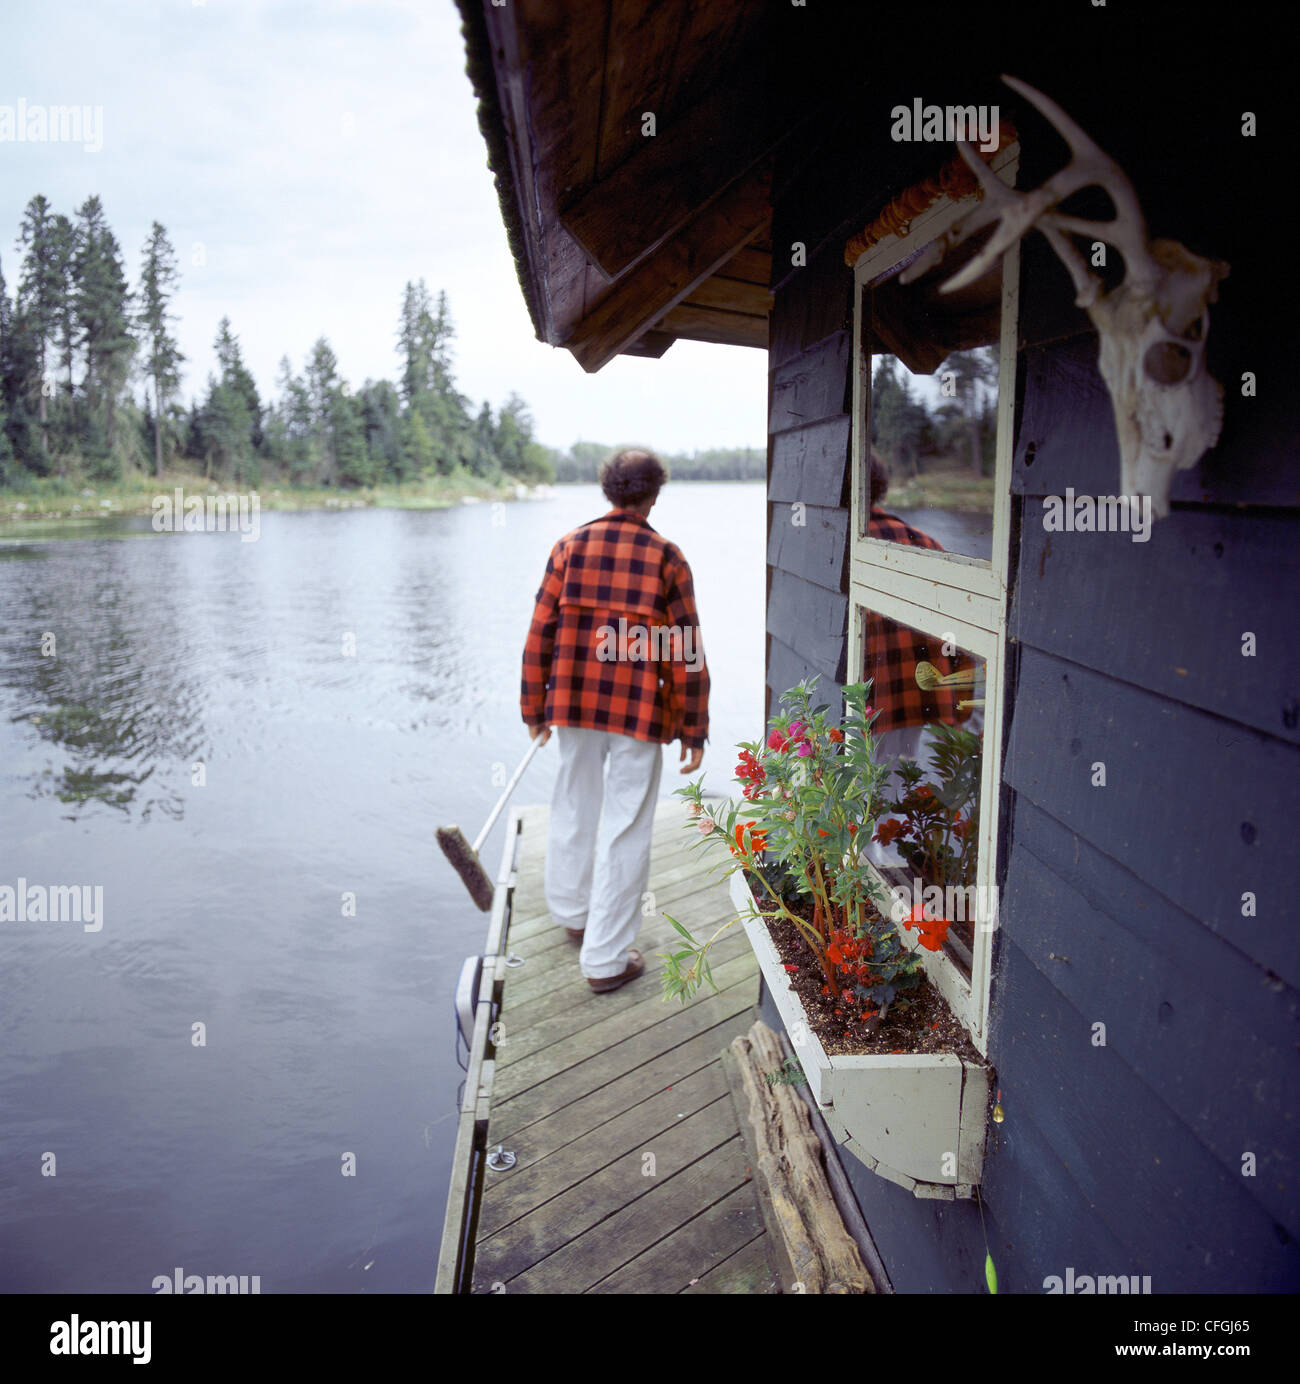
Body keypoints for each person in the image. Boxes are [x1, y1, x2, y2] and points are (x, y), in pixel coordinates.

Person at [520, 448, 710, 993]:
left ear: (608, 490)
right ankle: (604, 958)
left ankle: (574, 915)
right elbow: (686, 650)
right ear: (654, 494)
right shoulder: (667, 558)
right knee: (625, 825)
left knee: (575, 805)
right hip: (638, 713)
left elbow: (540, 633)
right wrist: (693, 726)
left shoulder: (568, 547)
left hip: (574, 705)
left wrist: (535, 707)